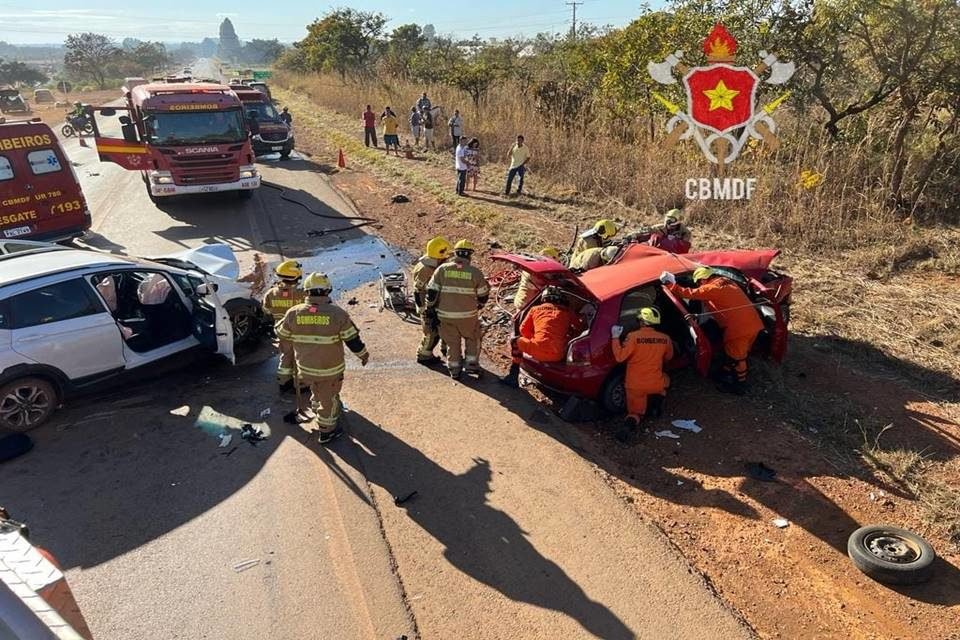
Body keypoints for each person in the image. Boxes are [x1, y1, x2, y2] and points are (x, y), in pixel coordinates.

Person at [277, 272, 370, 444]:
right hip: (330, 369)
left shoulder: (293, 313)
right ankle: (327, 431)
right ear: (328, 291)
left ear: (306, 292)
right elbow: (352, 340)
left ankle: (317, 407)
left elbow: (282, 334)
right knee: (330, 398)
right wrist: (363, 355)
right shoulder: (337, 314)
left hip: (305, 368)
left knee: (316, 390)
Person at [660, 267, 763, 394]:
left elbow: (688, 293)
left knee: (737, 358)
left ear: (704, 279)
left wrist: (670, 284)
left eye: (698, 282)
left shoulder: (711, 288)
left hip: (739, 330)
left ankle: (739, 385)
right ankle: (727, 372)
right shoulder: (726, 281)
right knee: (737, 354)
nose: (699, 285)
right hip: (753, 323)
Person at [426, 239, 489, 379]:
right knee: (472, 338)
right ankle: (471, 365)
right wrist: (479, 305)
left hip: (445, 316)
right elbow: (483, 295)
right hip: (468, 317)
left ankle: (454, 369)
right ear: (470, 255)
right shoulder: (475, 273)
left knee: (452, 343)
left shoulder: (442, 270)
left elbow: (431, 293)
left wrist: (430, 309)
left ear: (455, 253)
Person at [611, 307, 674, 443]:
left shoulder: (633, 337)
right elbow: (669, 357)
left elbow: (620, 357)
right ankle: (656, 406)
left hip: (635, 385)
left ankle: (628, 428)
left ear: (641, 321)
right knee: (666, 382)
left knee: (635, 413)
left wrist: (615, 338)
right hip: (656, 383)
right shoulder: (665, 339)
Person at [501, 287, 582, 387]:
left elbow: (523, 330)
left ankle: (513, 375)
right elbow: (580, 328)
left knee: (515, 341)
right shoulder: (568, 312)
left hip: (536, 350)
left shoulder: (535, 309)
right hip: (558, 355)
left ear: (544, 298)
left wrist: (535, 339)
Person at [261, 260, 306, 392]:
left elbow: (266, 310)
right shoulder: (302, 294)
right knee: (300, 357)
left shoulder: (271, 293)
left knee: (285, 356)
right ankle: (300, 384)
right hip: (299, 332)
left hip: (281, 331)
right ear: (296, 275)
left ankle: (284, 382)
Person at [413, 236, 452, 364]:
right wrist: (425, 310)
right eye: (445, 257)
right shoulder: (425, 270)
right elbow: (418, 290)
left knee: (440, 329)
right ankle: (424, 355)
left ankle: (443, 349)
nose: (446, 259)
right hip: (428, 307)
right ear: (438, 256)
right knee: (431, 333)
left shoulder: (433, 265)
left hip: (435, 305)